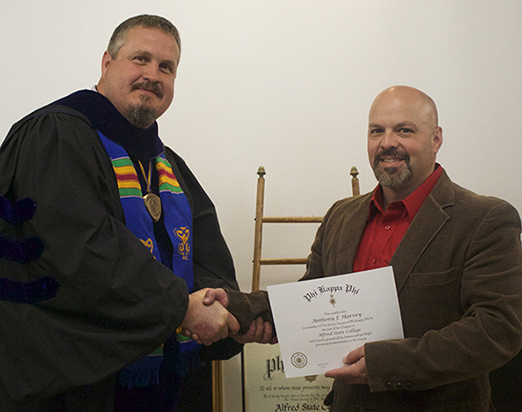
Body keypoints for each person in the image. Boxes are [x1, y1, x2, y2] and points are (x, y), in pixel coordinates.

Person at [209, 86, 522, 411]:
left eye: (404, 130)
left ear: (436, 139)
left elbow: (499, 328)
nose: (387, 142)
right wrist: (240, 309)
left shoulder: (485, 219)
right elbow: (313, 303)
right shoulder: (340, 216)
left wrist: (386, 363)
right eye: (377, 131)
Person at [0, 14, 243, 412]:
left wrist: (226, 305)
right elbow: (78, 247)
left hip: (168, 380)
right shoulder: (55, 135)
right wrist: (183, 307)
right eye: (140, 59)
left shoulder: (167, 164)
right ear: (106, 63)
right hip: (77, 385)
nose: (153, 74)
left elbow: (204, 249)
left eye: (167, 67)